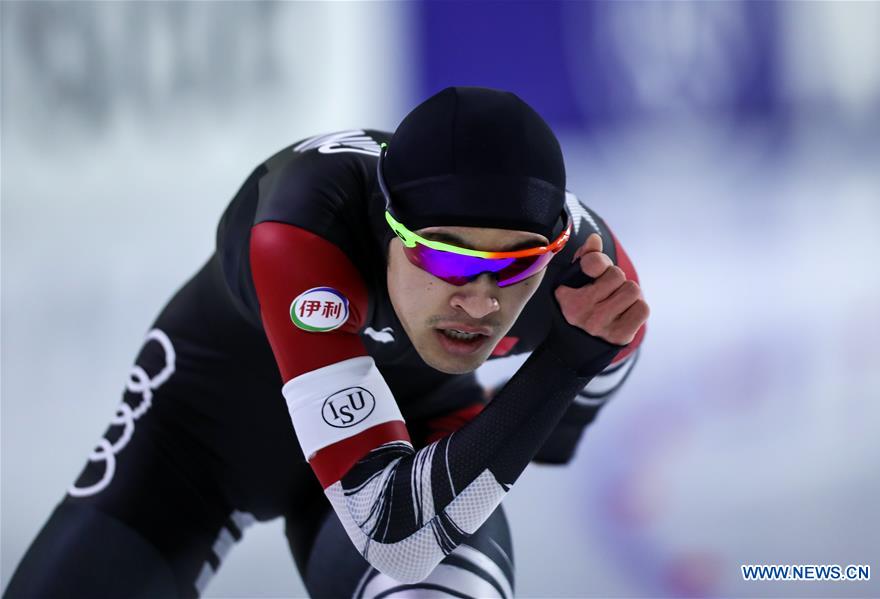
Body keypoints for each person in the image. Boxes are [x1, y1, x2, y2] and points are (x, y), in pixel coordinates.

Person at [5, 86, 648, 598]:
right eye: (448, 260)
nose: (481, 301)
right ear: (387, 228)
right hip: (201, 435)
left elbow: (603, 367)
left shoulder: (584, 274)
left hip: (412, 431)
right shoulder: (306, 225)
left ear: (556, 249)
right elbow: (400, 535)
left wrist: (562, 410)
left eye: (516, 266)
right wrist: (561, 368)